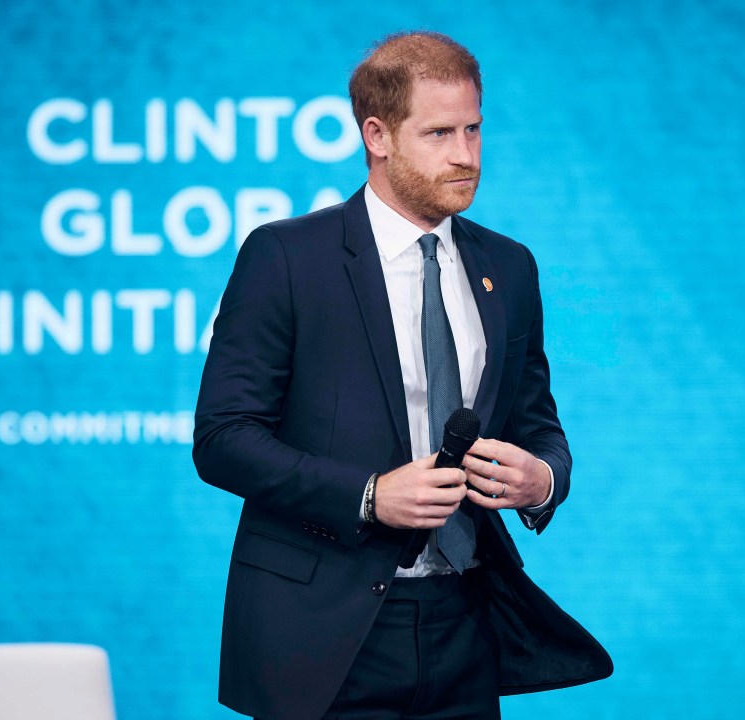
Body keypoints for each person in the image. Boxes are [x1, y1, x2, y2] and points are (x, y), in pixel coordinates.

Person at [193, 31, 611, 720]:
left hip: (465, 625)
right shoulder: (286, 257)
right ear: (377, 135)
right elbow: (223, 438)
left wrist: (544, 481)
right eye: (440, 132)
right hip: (323, 635)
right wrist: (367, 495)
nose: (465, 155)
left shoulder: (509, 267)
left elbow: (538, 422)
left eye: (474, 129)